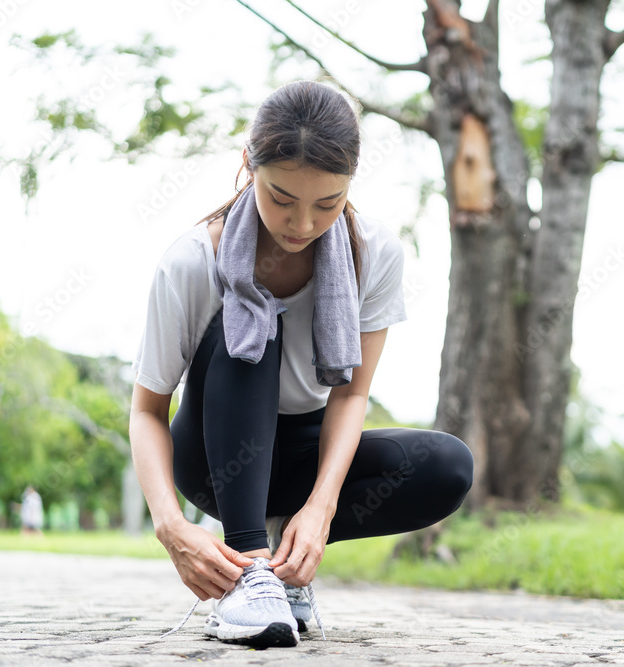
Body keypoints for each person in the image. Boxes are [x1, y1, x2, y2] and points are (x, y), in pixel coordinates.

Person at [128, 80, 474, 648]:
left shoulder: (376, 254)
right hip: (215, 455)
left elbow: (351, 396)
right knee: (251, 326)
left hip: (302, 453)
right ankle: (248, 565)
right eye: (282, 198)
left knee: (447, 466)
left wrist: (320, 509)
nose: (303, 224)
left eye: (328, 203)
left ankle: (278, 558)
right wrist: (171, 528)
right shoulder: (193, 261)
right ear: (248, 166)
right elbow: (146, 410)